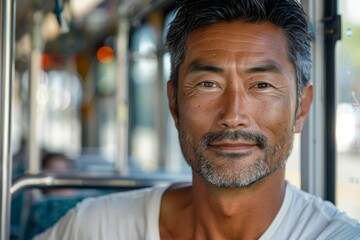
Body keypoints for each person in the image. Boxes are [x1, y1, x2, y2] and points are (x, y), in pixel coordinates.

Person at [34, 0, 360, 239]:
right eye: (208, 84)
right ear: (174, 103)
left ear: (301, 108)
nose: (233, 116)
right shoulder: (95, 228)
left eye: (261, 85)